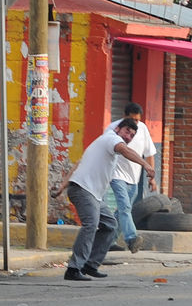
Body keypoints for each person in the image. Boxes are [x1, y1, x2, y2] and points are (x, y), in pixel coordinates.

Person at [52, 118, 155, 281]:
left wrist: (62, 186)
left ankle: (90, 265)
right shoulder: (111, 138)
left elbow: (79, 163)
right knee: (90, 225)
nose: (128, 137)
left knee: (110, 225)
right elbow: (124, 149)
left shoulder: (105, 147)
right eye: (127, 131)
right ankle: (73, 268)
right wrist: (146, 165)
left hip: (93, 194)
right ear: (118, 129)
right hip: (83, 189)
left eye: (132, 135)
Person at [107, 103, 157, 254]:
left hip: (134, 178)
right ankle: (132, 238)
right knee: (125, 207)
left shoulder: (142, 129)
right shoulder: (113, 129)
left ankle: (107, 241)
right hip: (116, 175)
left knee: (121, 212)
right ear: (124, 116)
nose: (135, 123)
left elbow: (149, 153)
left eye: (137, 120)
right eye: (132, 119)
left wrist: (151, 177)